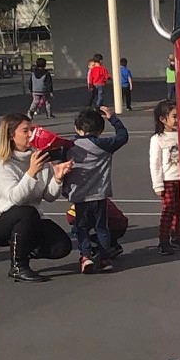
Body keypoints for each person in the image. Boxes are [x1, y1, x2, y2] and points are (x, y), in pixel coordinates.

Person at [0, 113, 73, 281]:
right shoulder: (0, 164)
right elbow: (16, 199)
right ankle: (18, 266)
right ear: (11, 135)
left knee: (62, 246)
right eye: (25, 131)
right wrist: (31, 172)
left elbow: (49, 196)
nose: (31, 134)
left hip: (28, 220)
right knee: (27, 212)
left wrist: (58, 178)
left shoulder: (39, 156)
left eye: (32, 130)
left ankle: (23, 248)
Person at [65, 106, 128, 273]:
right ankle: (105, 258)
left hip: (79, 195)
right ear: (100, 130)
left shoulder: (69, 146)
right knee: (102, 227)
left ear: (77, 128)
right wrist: (113, 118)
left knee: (81, 227)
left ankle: (86, 256)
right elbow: (123, 136)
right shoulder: (104, 145)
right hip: (100, 195)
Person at [149, 99, 180, 255]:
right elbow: (155, 163)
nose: (177, 119)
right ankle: (163, 240)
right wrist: (158, 185)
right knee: (168, 211)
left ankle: (177, 237)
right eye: (174, 116)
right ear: (163, 119)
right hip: (168, 181)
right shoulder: (158, 138)